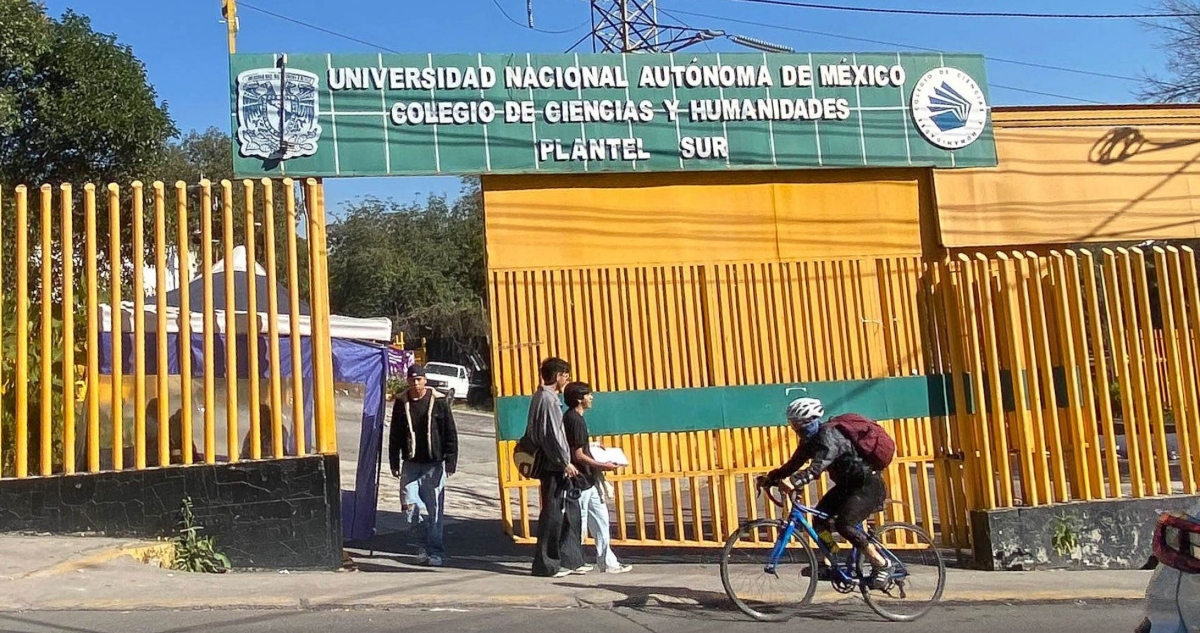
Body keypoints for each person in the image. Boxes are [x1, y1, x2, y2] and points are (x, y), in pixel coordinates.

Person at [756, 397, 893, 589]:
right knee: (819, 521)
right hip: (847, 486)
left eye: (801, 424)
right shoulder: (809, 441)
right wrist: (770, 478)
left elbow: (817, 467)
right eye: (794, 425)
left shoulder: (829, 435)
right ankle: (832, 559)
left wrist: (794, 481)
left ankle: (882, 564)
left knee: (845, 524)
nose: (797, 429)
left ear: (813, 420)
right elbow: (793, 464)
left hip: (867, 485)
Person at [388, 363, 458, 567]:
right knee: (409, 506)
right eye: (412, 380)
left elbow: (450, 432)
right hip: (410, 464)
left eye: (419, 379)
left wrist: (451, 461)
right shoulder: (402, 402)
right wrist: (394, 461)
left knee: (434, 510)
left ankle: (435, 551)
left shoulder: (439, 402)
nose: (415, 383)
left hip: (433, 464)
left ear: (425, 380)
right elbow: (395, 434)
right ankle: (420, 547)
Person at [526, 357, 588, 578]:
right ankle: (547, 563)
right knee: (553, 513)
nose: (567, 380)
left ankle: (565, 559)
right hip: (553, 464)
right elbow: (553, 435)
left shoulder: (541, 396)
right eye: (565, 376)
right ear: (557, 376)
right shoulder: (549, 400)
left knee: (560, 510)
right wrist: (565, 462)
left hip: (552, 462)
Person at [563, 381, 632, 574]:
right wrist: (603, 465)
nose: (591, 398)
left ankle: (608, 562)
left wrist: (592, 445)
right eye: (588, 395)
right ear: (579, 399)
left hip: (588, 480)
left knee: (601, 521)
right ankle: (572, 560)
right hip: (580, 480)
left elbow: (577, 446)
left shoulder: (574, 418)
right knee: (580, 521)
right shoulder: (575, 420)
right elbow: (577, 455)